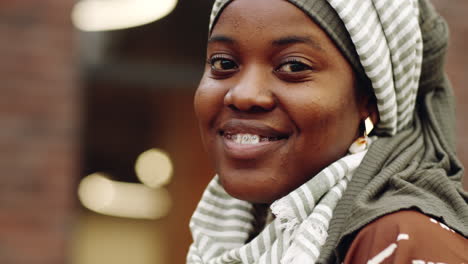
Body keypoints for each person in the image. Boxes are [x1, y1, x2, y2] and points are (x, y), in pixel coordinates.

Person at [187, 0, 468, 263]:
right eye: (223, 63)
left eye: (294, 66)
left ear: (371, 100)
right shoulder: (238, 232)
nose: (244, 95)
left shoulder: (401, 242)